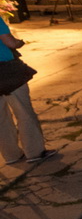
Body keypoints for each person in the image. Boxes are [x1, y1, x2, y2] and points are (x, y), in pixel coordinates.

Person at [0, 18, 56, 164]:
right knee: (23, 111)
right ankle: (34, 151)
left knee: (1, 117)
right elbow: (10, 42)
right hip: (7, 72)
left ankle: (11, 154)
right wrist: (20, 42)